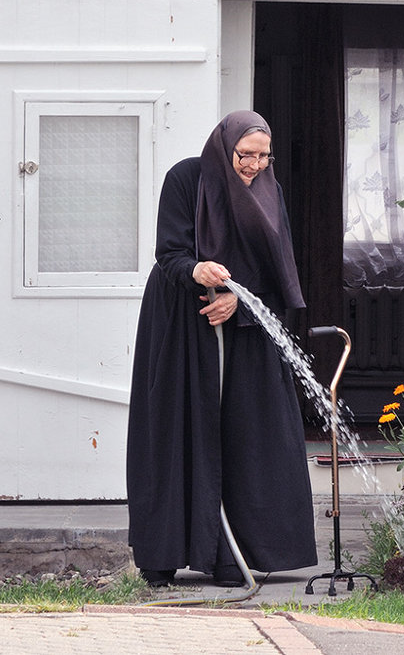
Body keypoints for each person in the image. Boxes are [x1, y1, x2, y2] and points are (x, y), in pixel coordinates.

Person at [126, 110, 317, 587]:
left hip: (244, 332)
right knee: (178, 431)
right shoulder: (186, 179)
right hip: (183, 326)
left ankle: (235, 556)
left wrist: (238, 300)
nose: (253, 166)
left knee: (246, 435)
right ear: (225, 146)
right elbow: (169, 253)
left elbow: (279, 273)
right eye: (244, 155)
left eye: (262, 157)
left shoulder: (270, 194)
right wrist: (197, 270)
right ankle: (163, 554)